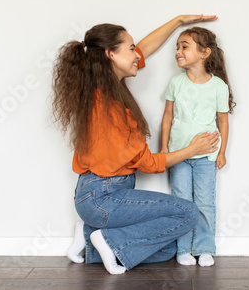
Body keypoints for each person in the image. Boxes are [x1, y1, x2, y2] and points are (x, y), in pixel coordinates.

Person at [51, 15, 220, 275]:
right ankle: (106, 239)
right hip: (103, 197)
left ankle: (89, 237)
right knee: (188, 213)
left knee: (166, 247)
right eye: (130, 49)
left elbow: (145, 48)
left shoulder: (104, 86)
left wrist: (179, 21)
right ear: (110, 55)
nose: (137, 56)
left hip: (96, 195)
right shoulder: (109, 107)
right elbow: (148, 164)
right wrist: (191, 150)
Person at [161, 27, 236, 267]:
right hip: (178, 155)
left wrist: (222, 152)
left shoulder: (218, 87)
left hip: (207, 156)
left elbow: (223, 121)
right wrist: (164, 150)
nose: (178, 51)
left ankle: (204, 247)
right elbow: (167, 117)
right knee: (182, 201)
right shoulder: (175, 82)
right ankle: (183, 248)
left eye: (184, 46)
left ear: (204, 53)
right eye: (177, 47)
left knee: (204, 202)